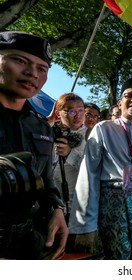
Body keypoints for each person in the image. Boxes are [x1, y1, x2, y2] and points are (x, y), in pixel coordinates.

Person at [68, 78, 132, 260]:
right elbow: (89, 174)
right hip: (112, 204)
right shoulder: (104, 128)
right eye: (129, 95)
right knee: (117, 257)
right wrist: (86, 225)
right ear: (120, 103)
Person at [0, 31, 68, 259]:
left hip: (30, 241)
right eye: (19, 61)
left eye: (42, 69)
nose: (32, 73)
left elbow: (46, 178)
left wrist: (57, 209)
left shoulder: (40, 127)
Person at [52, 93, 88, 220]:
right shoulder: (48, 133)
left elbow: (93, 169)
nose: (77, 116)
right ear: (58, 113)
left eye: (81, 110)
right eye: (71, 111)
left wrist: (69, 154)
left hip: (77, 206)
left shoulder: (91, 135)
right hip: (52, 205)